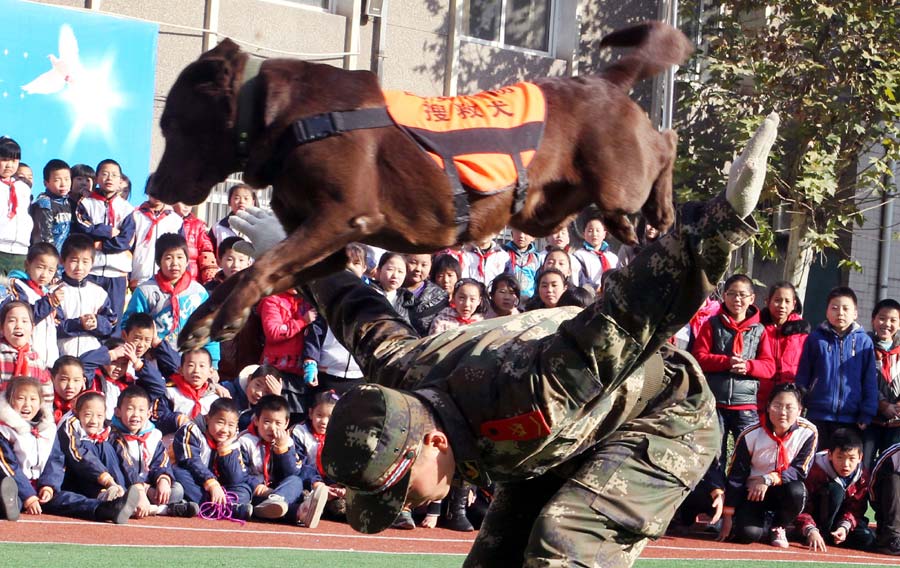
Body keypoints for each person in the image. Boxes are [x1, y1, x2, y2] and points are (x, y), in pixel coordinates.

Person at [233, 113, 779, 564]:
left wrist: (721, 220)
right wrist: (287, 252)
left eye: (402, 492)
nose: (404, 509)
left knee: (563, 546)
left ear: (434, 444)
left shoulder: (530, 390)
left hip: (660, 419)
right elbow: (354, 306)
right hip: (559, 439)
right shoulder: (400, 373)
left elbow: (626, 313)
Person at [0, 376, 140, 524]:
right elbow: (7, 465)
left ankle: (108, 509)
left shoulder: (48, 428)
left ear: (41, 402)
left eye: (33, 399)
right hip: (16, 485)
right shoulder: (5, 430)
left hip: (40, 487)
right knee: (12, 497)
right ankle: (9, 503)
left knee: (67, 499)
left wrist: (48, 486)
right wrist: (28, 495)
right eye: (21, 398)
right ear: (9, 400)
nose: (27, 405)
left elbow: (55, 460)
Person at [692, 274, 775, 477]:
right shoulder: (712, 325)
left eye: (742, 295)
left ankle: (736, 504)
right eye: (732, 294)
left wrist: (748, 366)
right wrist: (726, 362)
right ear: (724, 297)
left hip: (745, 404)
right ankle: (711, 500)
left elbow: (769, 367)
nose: (737, 300)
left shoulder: (759, 330)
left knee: (745, 457)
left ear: (752, 298)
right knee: (713, 456)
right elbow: (699, 357)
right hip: (715, 402)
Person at [718, 383, 817, 548]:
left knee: (797, 491)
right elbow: (737, 474)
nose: (783, 413)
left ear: (800, 410)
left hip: (783, 489)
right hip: (753, 493)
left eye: (789, 407)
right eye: (777, 406)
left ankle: (779, 526)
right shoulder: (750, 434)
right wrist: (728, 515)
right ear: (768, 407)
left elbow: (800, 470)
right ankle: (759, 523)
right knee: (747, 535)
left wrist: (768, 479)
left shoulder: (809, 432)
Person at [795, 286, 878, 450]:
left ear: (855, 313)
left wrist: (866, 412)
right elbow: (803, 374)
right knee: (816, 462)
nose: (840, 313)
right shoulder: (815, 339)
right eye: (834, 308)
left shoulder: (864, 342)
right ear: (826, 311)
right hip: (818, 414)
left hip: (851, 418)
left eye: (846, 308)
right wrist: (800, 403)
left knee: (843, 461)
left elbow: (869, 381)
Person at [123, 233, 220, 368]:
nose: (175, 263)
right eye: (168, 258)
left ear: (187, 261)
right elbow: (128, 325)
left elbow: (209, 329)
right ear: (158, 261)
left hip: (191, 363)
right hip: (154, 360)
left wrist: (213, 364)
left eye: (180, 257)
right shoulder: (146, 291)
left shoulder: (198, 293)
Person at [109, 385, 198, 518]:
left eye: (141, 410)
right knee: (119, 492)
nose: (136, 415)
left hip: (146, 485)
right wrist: (139, 490)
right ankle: (162, 510)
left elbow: (161, 460)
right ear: (118, 412)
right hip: (126, 482)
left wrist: (163, 479)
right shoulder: (113, 434)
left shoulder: (153, 435)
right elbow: (125, 465)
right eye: (130, 409)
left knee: (176, 490)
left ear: (149, 414)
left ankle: (144, 506)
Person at [239, 394, 328, 526]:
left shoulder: (287, 441)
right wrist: (259, 488)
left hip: (280, 492)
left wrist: (282, 449)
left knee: (295, 481)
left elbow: (292, 472)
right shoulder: (245, 441)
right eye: (267, 422)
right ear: (256, 420)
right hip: (255, 492)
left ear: (286, 423)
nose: (272, 428)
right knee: (246, 494)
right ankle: (298, 512)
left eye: (278, 423)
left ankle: (284, 506)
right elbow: (240, 474)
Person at [71, 159, 136, 323]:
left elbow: (125, 240)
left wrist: (101, 244)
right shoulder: (85, 203)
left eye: (114, 175)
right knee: (88, 317)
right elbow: (84, 229)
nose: (109, 178)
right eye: (105, 174)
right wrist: (107, 230)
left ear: (120, 181)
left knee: (113, 321)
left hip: (117, 273)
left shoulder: (127, 208)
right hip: (91, 271)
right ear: (97, 178)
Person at [171, 397, 253, 519]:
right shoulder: (191, 429)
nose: (225, 430)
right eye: (220, 422)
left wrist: (226, 450)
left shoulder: (233, 439)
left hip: (218, 485)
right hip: (195, 479)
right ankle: (225, 507)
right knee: (178, 473)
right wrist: (211, 484)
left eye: (231, 425)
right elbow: (190, 461)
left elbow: (236, 478)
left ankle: (215, 506)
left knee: (244, 489)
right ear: (208, 418)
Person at [795, 428, 874, 552]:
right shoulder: (814, 468)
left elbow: (856, 508)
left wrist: (844, 527)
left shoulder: (862, 475)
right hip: (816, 517)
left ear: (860, 457)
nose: (846, 464)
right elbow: (802, 504)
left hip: (839, 519)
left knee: (867, 539)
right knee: (835, 490)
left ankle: (835, 535)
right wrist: (810, 529)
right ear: (830, 455)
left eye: (851, 458)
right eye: (840, 457)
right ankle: (818, 533)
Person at [1, 243, 65, 366]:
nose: (44, 274)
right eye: (40, 267)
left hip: (49, 360)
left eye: (51, 270)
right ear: (27, 265)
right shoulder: (18, 286)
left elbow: (59, 322)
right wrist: (50, 302)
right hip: (26, 358)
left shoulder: (47, 292)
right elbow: (26, 317)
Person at [55, 235, 117, 359]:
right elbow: (54, 327)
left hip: (92, 355)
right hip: (64, 355)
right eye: (74, 260)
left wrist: (97, 322)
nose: (79, 267)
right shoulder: (55, 292)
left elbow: (110, 324)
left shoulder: (99, 293)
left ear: (92, 263)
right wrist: (79, 324)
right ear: (62, 260)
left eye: (85, 261)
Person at [290, 389, 347, 523]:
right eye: (319, 415)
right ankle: (310, 504)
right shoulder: (299, 432)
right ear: (310, 413)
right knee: (301, 494)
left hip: (331, 485)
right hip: (308, 482)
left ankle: (328, 505)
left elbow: (342, 463)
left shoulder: (341, 435)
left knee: (341, 508)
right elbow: (300, 463)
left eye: (330, 417)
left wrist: (338, 486)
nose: (324, 422)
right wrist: (317, 484)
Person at [258, 288, 316, 418]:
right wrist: (303, 321)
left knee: (296, 416)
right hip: (275, 371)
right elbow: (273, 331)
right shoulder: (272, 300)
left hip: (300, 374)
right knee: (273, 414)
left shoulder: (309, 300)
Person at [758, 281, 809, 414]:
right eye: (777, 300)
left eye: (787, 301)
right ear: (767, 301)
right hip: (758, 397)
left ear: (794, 304)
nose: (782, 305)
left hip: (789, 398)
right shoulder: (757, 328)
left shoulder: (802, 332)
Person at [865, 298, 900, 471]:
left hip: (897, 424)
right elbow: (860, 380)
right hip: (870, 421)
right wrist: (882, 405)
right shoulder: (863, 347)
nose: (886, 324)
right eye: (882, 318)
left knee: (891, 470)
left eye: (893, 320)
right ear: (873, 319)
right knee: (864, 466)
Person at [156, 348, 221, 433]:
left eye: (202, 366)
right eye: (191, 365)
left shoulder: (214, 398)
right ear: (180, 370)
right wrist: (178, 419)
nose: (196, 370)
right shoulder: (170, 393)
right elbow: (160, 417)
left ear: (211, 372)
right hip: (173, 441)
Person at [0, 301, 53, 402]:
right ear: (1, 328)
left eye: (24, 321)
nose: (19, 326)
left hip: (30, 414)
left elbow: (46, 391)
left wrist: (45, 415)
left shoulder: (36, 360)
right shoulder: (2, 357)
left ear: (32, 328)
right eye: (12, 321)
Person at [130, 192, 183, 290]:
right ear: (147, 191)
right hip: (139, 278)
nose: (157, 195)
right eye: (153, 192)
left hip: (166, 279)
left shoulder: (176, 220)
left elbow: (181, 251)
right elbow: (128, 248)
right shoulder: (135, 216)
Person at [0, 137, 34, 279]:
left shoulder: (23, 187)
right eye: (4, 159)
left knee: (16, 296)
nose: (9, 165)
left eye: (14, 160)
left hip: (20, 251)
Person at [30, 159, 73, 253]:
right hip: (48, 257)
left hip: (64, 259)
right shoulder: (44, 204)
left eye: (67, 179)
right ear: (46, 183)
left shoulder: (69, 202)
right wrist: (52, 256)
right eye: (57, 180)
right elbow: (44, 236)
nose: (63, 184)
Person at [403, 254, 449, 336]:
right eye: (413, 263)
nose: (418, 269)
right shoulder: (390, 290)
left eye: (424, 265)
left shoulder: (439, 296)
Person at [173, 202, 217, 285]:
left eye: (189, 202)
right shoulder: (166, 222)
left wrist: (209, 278)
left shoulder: (198, 225)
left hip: (192, 279)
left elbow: (206, 252)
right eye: (182, 202)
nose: (186, 206)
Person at [572, 216, 619, 292]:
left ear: (604, 234)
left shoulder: (613, 257)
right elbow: (582, 278)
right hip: (592, 295)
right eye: (590, 231)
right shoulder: (578, 255)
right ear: (584, 234)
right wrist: (597, 288)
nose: (594, 234)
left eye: (598, 230)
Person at [210, 183, 257, 255]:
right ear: (229, 202)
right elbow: (210, 253)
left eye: (246, 198)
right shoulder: (218, 227)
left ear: (253, 202)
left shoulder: (260, 227)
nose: (242, 202)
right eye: (237, 198)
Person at [371, 252, 413, 322]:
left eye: (400, 271)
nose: (395, 276)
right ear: (379, 270)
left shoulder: (409, 300)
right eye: (390, 269)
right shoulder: (368, 293)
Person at [502, 228, 541, 300]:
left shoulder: (537, 258)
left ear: (533, 237)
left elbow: (539, 282)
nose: (521, 235)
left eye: (526, 232)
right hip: (506, 300)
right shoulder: (503, 254)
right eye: (518, 230)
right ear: (512, 233)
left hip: (529, 302)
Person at [50, 355, 86, 423]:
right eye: (64, 379)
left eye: (76, 380)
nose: (70, 386)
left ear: (83, 381)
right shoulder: (44, 403)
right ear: (52, 379)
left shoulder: (86, 405)